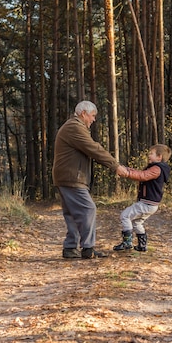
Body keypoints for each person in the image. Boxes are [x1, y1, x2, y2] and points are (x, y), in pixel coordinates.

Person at [53, 101, 129, 259]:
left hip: (66, 177)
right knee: (88, 209)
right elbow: (94, 148)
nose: (93, 120)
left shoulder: (73, 127)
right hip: (72, 177)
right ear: (83, 114)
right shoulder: (74, 127)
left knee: (73, 214)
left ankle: (70, 248)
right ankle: (87, 248)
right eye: (92, 116)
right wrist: (115, 166)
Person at [113, 144, 171, 252]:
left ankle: (127, 243)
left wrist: (127, 173)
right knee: (137, 222)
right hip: (151, 204)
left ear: (159, 157)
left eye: (151, 153)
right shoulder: (157, 168)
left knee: (125, 216)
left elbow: (142, 176)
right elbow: (141, 173)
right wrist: (128, 169)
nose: (148, 155)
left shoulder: (157, 169)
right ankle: (142, 245)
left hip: (147, 203)